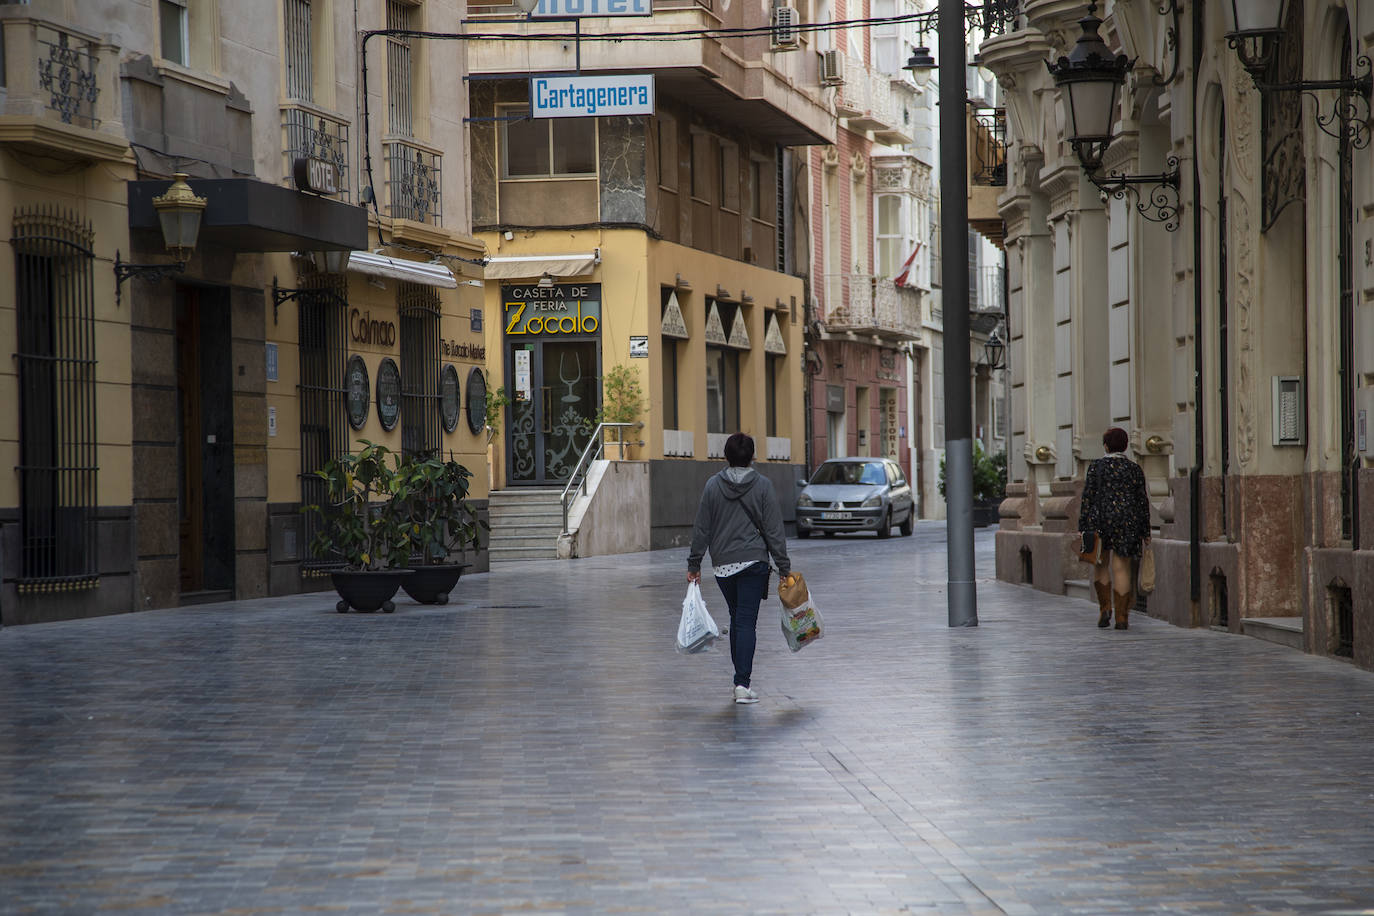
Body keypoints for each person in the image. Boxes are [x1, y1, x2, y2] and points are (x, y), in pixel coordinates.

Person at [687, 432, 791, 704]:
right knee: (745, 622)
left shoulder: (712, 486)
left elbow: (702, 528)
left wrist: (694, 563)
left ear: (727, 456)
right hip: (754, 562)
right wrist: (783, 566)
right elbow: (774, 530)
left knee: (737, 619)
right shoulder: (763, 486)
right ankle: (741, 684)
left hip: (723, 566)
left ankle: (739, 680)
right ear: (752, 457)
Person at [1078, 427, 1152, 630]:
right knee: (1121, 568)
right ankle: (1121, 617)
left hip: (1098, 522)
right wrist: (1146, 531)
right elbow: (1142, 501)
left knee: (1101, 565)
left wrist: (1083, 526)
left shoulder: (1096, 468)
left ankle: (1105, 609)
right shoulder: (1134, 469)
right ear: (1125, 446)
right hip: (1127, 523)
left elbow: (1088, 498)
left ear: (1106, 445)